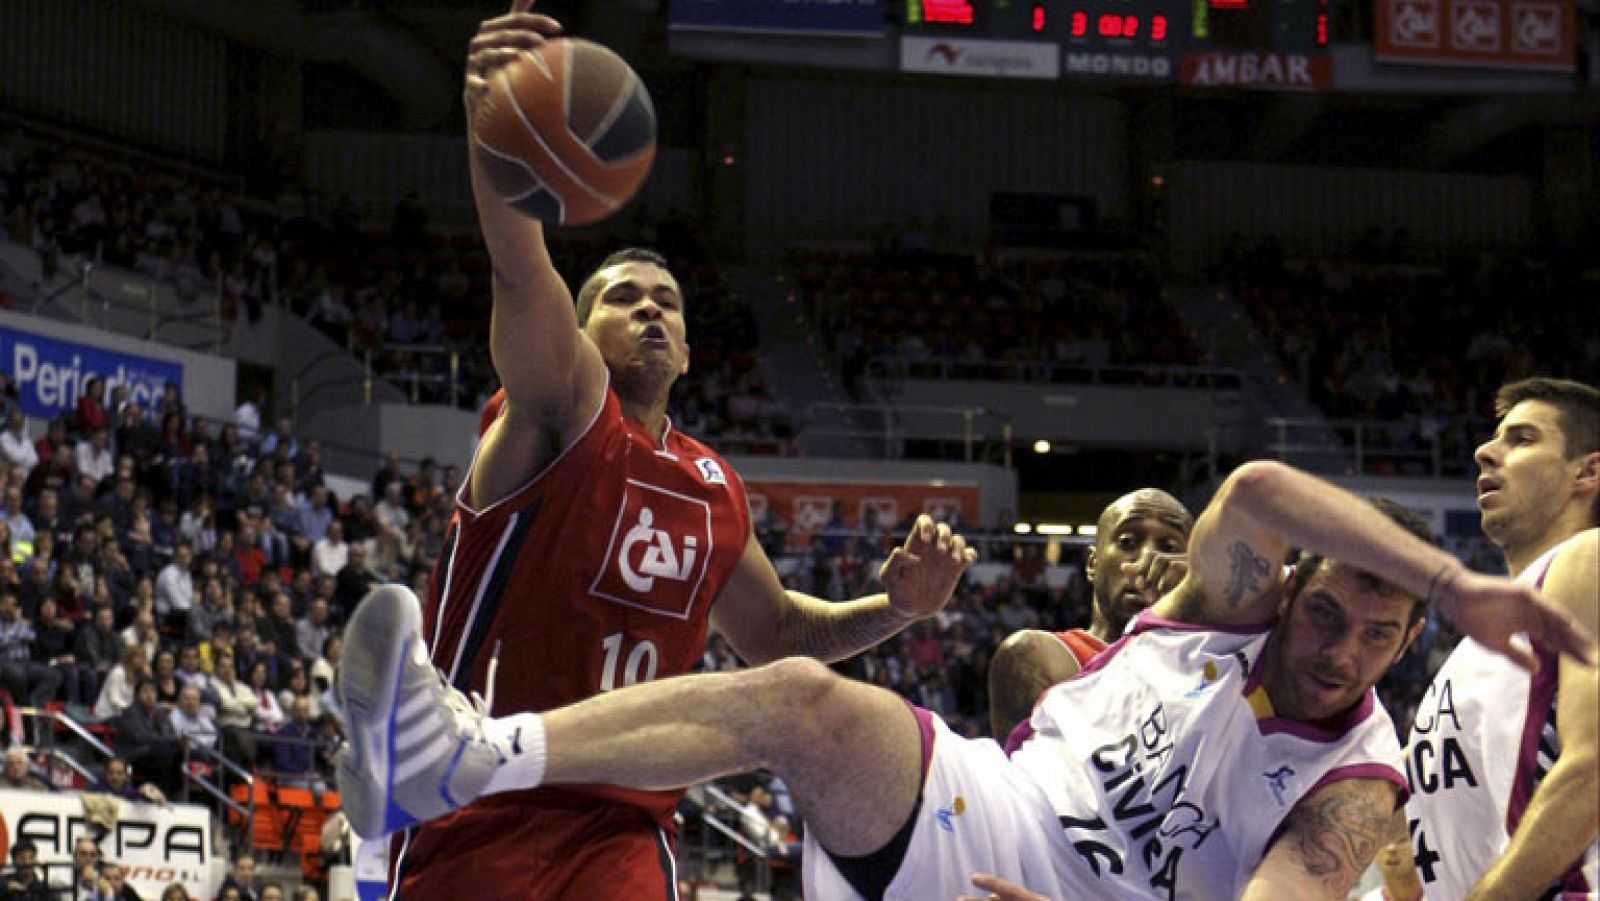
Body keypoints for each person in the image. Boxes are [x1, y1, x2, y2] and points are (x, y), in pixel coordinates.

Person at [335, 7, 980, 898]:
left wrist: (897, 607)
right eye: (623, 296)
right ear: (581, 327)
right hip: (475, 806)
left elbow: (782, 634)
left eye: (667, 302)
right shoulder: (553, 409)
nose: (650, 309)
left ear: (687, 348)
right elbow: (521, 266)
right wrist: (495, 129)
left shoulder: (714, 485)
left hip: (623, 826)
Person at [338, 459, 1595, 900]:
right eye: (1329, 613)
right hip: (983, 804)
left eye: (1382, 640)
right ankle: (453, 756)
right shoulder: (1209, 604)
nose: (1344, 652)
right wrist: (1446, 580)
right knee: (802, 700)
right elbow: (1259, 492)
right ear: (1283, 587)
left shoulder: (1359, 781)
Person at [1403, 377, 1599, 898]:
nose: (1485, 452)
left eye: (1523, 438)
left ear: (1588, 471)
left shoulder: (1587, 556)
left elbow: (1593, 768)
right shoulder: (1479, 641)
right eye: (1496, 438)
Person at [989, 489, 1192, 736]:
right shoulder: (1040, 656)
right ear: (1092, 563)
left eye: (1169, 547)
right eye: (1128, 542)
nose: (1147, 560)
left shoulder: (1215, 670)